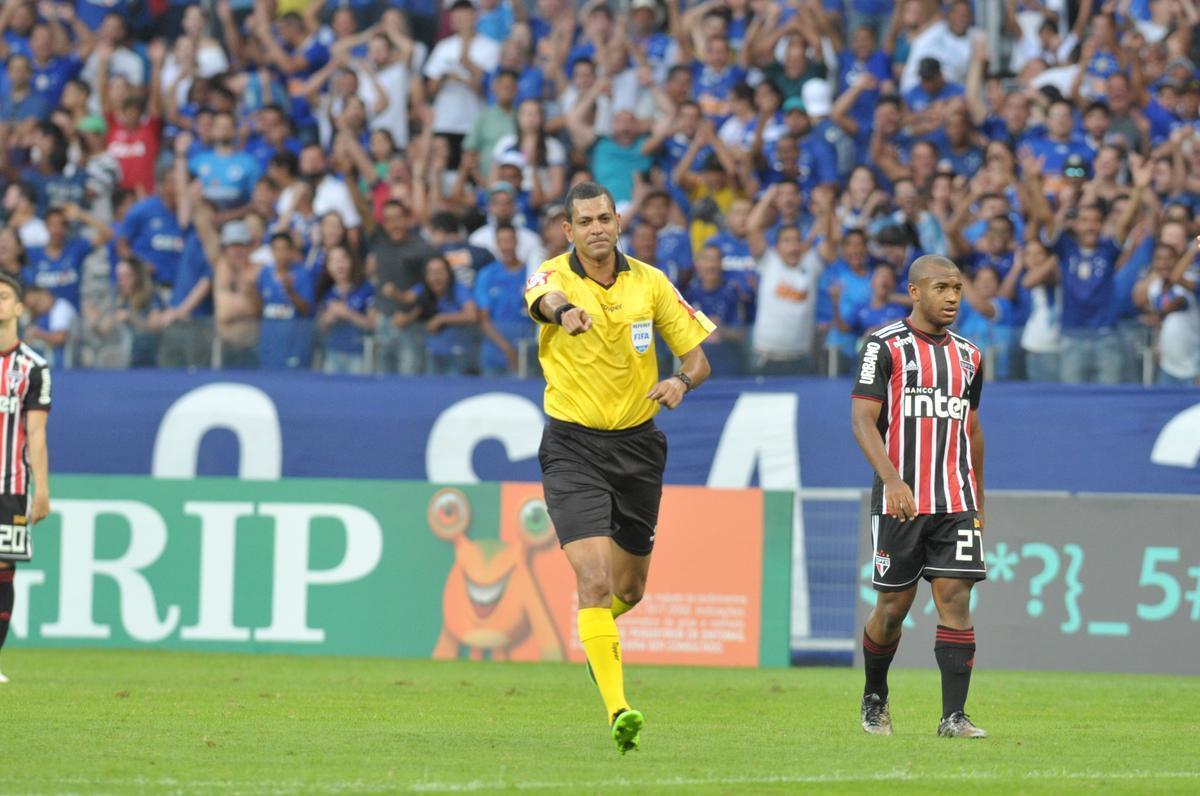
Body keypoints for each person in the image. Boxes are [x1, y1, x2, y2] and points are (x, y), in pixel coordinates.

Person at [523, 182, 715, 754]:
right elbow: (542, 302)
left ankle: (595, 636)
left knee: (629, 590)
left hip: (637, 448)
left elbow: (699, 357)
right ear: (568, 229)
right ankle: (618, 707)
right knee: (595, 579)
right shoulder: (550, 275)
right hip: (572, 447)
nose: (596, 228)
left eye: (604, 218)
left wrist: (680, 381)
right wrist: (567, 314)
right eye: (584, 221)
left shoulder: (651, 282)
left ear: (618, 220)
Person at [850, 254, 988, 739]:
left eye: (957, 287)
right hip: (900, 500)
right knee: (893, 608)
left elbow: (971, 430)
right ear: (914, 291)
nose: (952, 296)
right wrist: (891, 478)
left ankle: (954, 717)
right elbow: (862, 418)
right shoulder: (883, 345)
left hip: (955, 498)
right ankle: (874, 696)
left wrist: (980, 502)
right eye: (941, 287)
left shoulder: (971, 354)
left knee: (955, 597)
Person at [0, 273, 52, 683]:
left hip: (11, 486)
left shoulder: (34, 367)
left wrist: (43, 490)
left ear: (19, 307)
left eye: (3, 296)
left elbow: (36, 433)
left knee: (3, 571)